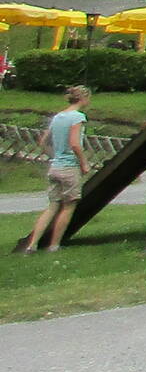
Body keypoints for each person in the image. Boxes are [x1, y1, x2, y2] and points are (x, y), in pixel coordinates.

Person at [23, 86, 91, 253]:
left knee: (52, 206)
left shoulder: (58, 117)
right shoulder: (78, 117)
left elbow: (43, 142)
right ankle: (54, 245)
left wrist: (54, 155)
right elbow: (75, 144)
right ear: (83, 98)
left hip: (55, 166)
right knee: (68, 206)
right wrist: (84, 163)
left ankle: (32, 245)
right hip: (69, 167)